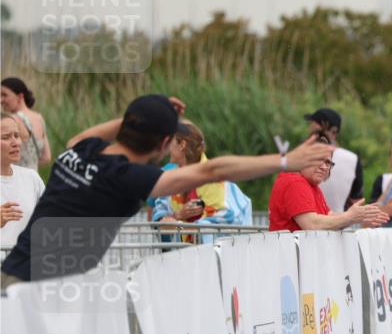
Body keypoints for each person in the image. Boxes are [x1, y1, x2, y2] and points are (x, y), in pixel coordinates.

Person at [0, 94, 331, 289]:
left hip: (11, 275)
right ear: (162, 144)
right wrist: (285, 160)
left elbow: (86, 135)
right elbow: (213, 170)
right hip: (41, 293)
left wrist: (147, 112)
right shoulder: (129, 178)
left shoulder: (77, 152)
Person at [269, 136, 389, 232]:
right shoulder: (295, 181)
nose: (324, 167)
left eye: (328, 163)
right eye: (319, 160)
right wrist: (350, 217)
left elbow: (329, 217)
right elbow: (311, 224)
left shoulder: (311, 185)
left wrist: (359, 216)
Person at [151, 120, 253, 231]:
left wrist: (180, 225)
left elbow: (223, 219)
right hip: (186, 242)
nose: (166, 148)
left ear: (182, 145)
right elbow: (159, 218)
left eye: (169, 142)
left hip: (221, 242)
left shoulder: (215, 179)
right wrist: (178, 215)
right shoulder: (171, 178)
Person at [304, 108, 364, 212]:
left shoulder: (301, 155)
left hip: (304, 219)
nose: (309, 128)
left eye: (313, 123)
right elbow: (357, 201)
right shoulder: (353, 159)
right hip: (339, 220)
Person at [1, 113, 46, 248]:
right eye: (5, 137)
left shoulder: (31, 178)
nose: (15, 143)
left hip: (27, 259)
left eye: (16, 135)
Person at [1, 77, 52, 171]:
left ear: (20, 96)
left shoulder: (12, 120)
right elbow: (46, 157)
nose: (1, 100)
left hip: (15, 177)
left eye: (5, 95)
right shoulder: (39, 117)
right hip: (34, 177)